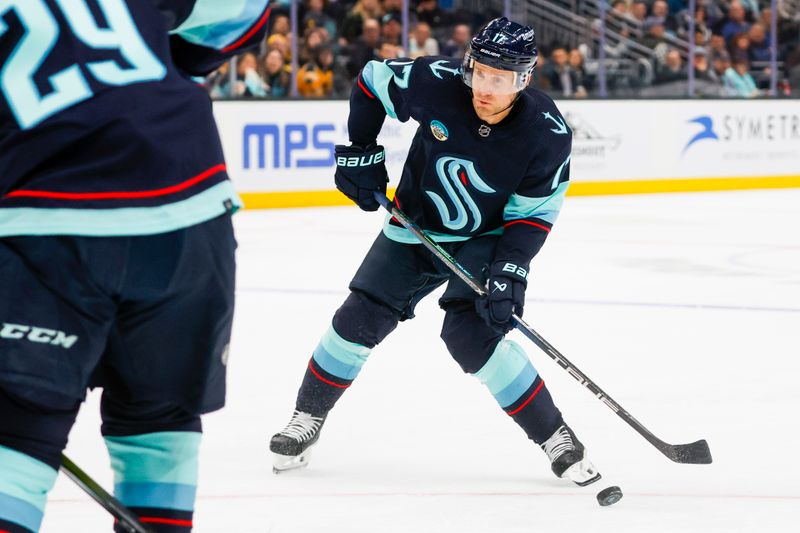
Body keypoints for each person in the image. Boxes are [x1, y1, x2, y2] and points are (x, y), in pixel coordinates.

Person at [269, 17, 602, 488]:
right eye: (479, 72)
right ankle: (306, 417)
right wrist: (360, 149)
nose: (485, 88)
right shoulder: (436, 83)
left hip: (483, 238)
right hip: (415, 222)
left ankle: (555, 437)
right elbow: (370, 80)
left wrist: (510, 270)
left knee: (470, 334)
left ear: (523, 79)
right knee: (359, 315)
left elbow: (533, 215)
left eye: (500, 78)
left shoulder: (546, 133)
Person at [0, 1, 270, 532]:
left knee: (16, 430)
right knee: (159, 423)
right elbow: (246, 12)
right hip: (193, 209)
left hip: (53, 217)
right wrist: (170, 56)